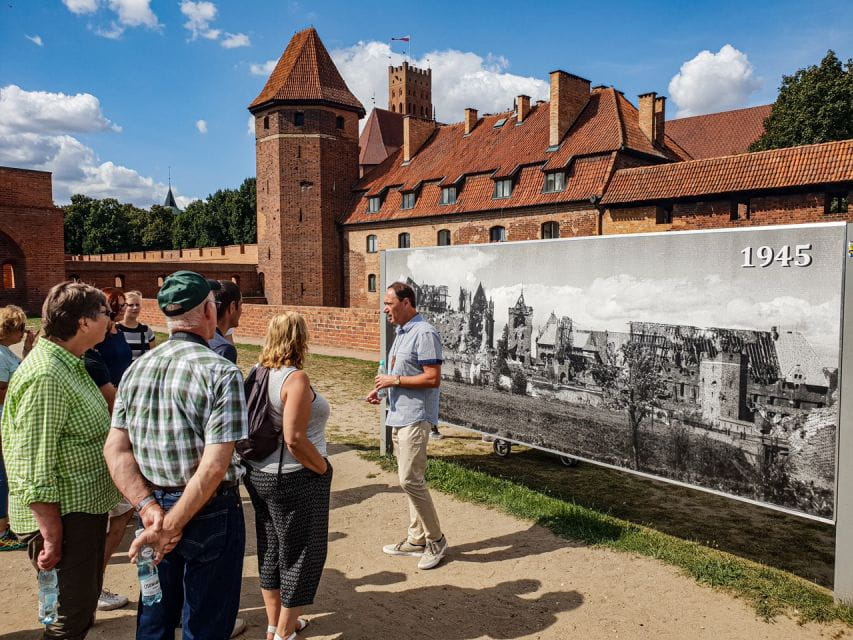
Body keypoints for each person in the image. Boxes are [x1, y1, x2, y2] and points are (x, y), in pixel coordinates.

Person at [103, 270, 248, 640]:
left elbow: (116, 449)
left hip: (154, 504)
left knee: (155, 617)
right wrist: (170, 524)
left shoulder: (137, 369)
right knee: (205, 622)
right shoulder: (220, 372)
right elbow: (215, 465)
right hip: (208, 509)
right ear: (209, 312)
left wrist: (151, 511)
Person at [1, 282, 120, 639]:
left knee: (79, 611)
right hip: (65, 515)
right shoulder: (47, 374)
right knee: (68, 619)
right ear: (83, 322)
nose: (109, 321)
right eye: (104, 314)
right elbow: (34, 460)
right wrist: (51, 534)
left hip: (78, 510)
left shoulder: (70, 362)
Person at [244, 312, 333, 640]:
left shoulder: (257, 371)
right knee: (303, 552)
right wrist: (322, 468)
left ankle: (276, 624)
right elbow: (295, 438)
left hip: (258, 474)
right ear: (299, 338)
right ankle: (284, 634)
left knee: (272, 547)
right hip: (294, 477)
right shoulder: (295, 379)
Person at [367, 281, 448, 570]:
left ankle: (436, 540)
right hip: (398, 415)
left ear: (406, 303)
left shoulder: (424, 333)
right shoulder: (401, 333)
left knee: (410, 480)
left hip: (415, 417)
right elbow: (399, 373)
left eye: (389, 303)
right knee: (410, 481)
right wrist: (383, 390)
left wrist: (395, 381)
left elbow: (432, 378)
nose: (385, 309)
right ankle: (416, 539)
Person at [82, 315, 133, 612]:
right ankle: (91, 586)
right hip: (103, 454)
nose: (110, 324)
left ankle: (92, 584)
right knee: (109, 519)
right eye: (105, 317)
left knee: (121, 513)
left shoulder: (86, 357)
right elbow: (115, 402)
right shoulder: (89, 361)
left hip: (105, 450)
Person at [0, 305, 34, 551]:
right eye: (20, 328)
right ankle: (2, 531)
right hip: (2, 421)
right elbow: (3, 390)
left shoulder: (5, 352)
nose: (23, 332)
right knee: (2, 476)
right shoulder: (0, 355)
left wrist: (28, 351)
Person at [94, 287, 132, 386]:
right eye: (119, 305)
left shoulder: (119, 332)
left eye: (124, 304)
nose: (124, 308)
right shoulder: (99, 335)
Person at [208, 280, 242, 364]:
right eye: (241, 304)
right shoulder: (223, 349)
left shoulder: (200, 337)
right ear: (232, 306)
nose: (242, 310)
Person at [117, 290, 155, 361]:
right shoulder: (115, 329)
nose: (135, 308)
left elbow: (152, 357)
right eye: (131, 305)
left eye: (137, 305)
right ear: (123, 306)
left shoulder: (146, 330)